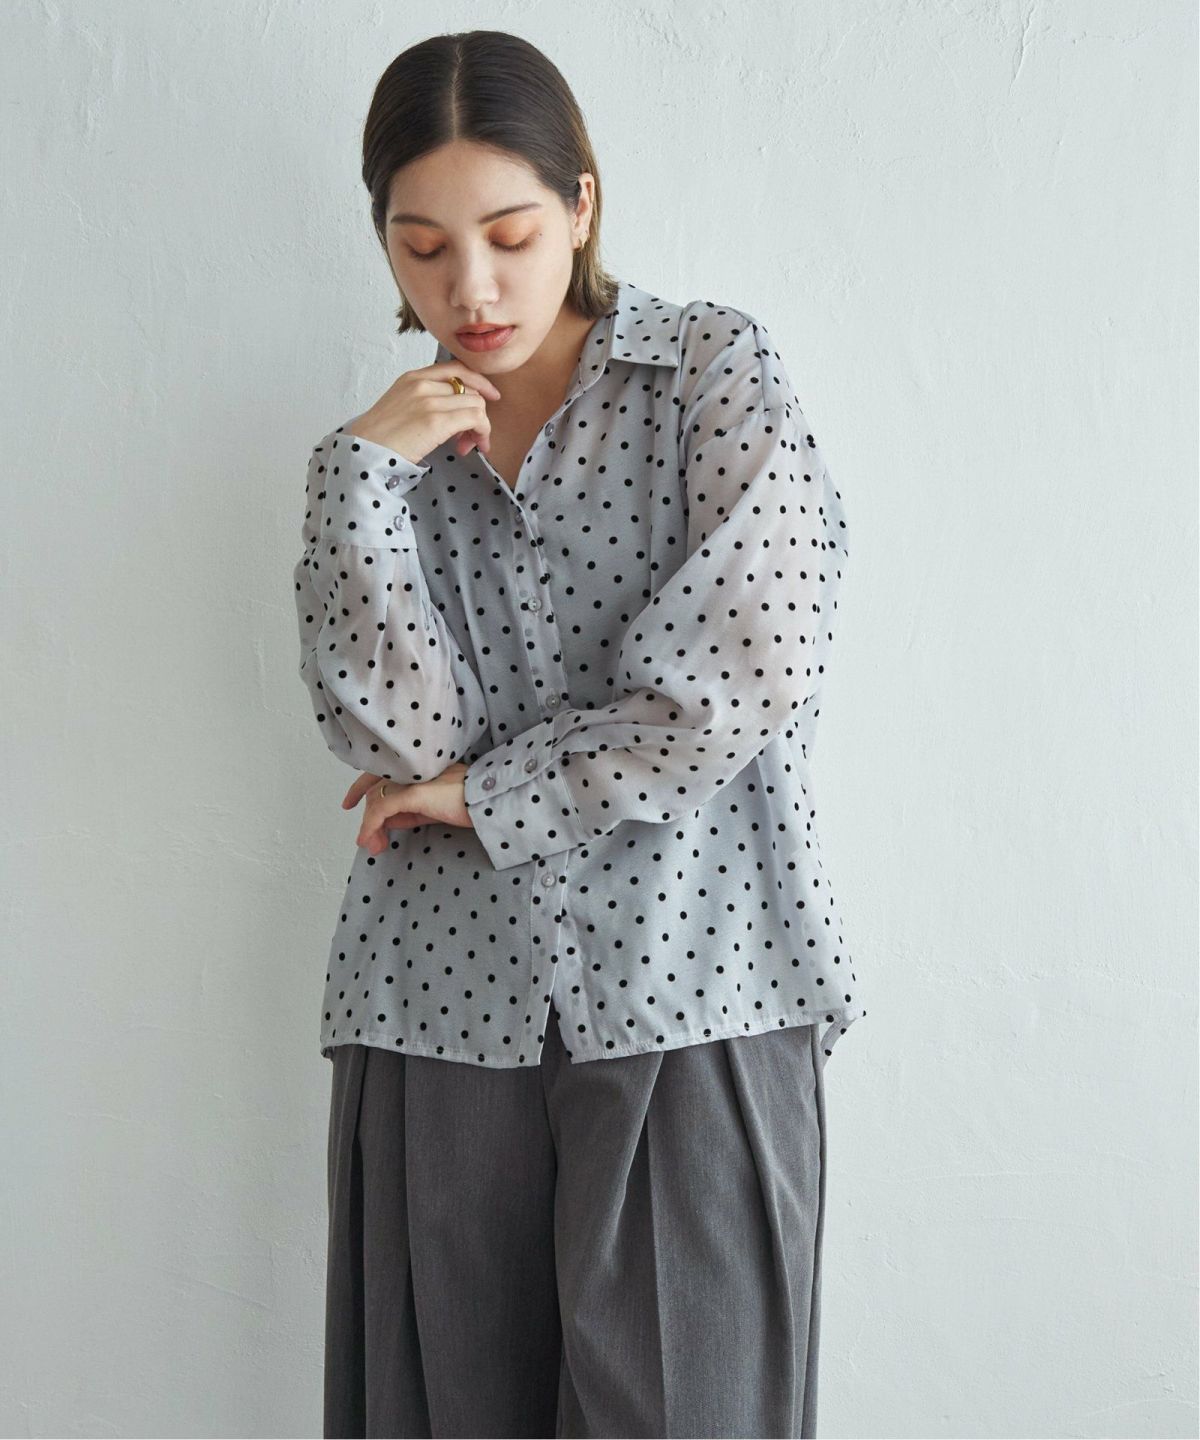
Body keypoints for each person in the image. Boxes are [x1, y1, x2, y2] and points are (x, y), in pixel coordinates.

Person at [291, 28, 865, 1440]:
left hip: (700, 978)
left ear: (582, 207)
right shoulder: (391, 459)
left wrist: (486, 794)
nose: (470, 290)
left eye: (510, 235)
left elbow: (738, 670)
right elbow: (391, 733)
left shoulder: (711, 373)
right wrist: (358, 481)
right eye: (422, 249)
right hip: (439, 1003)